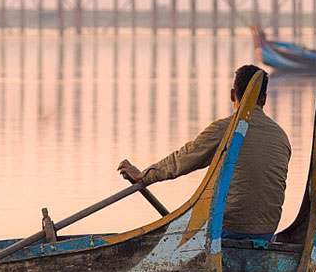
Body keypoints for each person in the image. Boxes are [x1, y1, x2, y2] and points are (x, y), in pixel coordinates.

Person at [121, 66, 290, 237]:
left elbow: (183, 160)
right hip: (266, 231)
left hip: (226, 229)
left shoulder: (226, 129)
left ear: (233, 94)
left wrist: (144, 176)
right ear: (265, 99)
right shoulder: (281, 136)